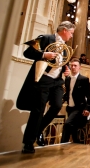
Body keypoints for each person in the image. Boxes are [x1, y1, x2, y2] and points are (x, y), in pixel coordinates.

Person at [16, 21, 76, 153]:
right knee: (38, 110)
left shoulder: (65, 47)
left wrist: (65, 70)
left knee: (57, 106)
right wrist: (44, 55)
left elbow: (61, 63)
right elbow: (28, 53)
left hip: (57, 82)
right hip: (43, 79)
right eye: (71, 33)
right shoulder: (46, 38)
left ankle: (38, 130)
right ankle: (28, 143)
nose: (72, 36)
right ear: (65, 30)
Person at [61, 58, 90, 143]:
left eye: (75, 66)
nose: (73, 67)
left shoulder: (84, 79)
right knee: (73, 128)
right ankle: (78, 144)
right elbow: (68, 93)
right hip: (69, 108)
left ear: (79, 67)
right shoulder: (67, 79)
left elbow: (89, 96)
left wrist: (87, 109)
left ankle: (62, 145)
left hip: (79, 108)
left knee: (67, 124)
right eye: (72, 65)